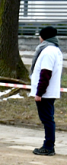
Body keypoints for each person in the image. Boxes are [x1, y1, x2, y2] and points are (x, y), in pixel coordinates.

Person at [30, 26, 63, 156]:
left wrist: (39, 93)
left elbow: (45, 73)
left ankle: (48, 146)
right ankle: (49, 145)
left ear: (43, 37)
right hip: (49, 91)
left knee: (47, 119)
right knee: (48, 118)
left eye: (40, 36)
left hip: (45, 92)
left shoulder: (47, 51)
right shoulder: (55, 50)